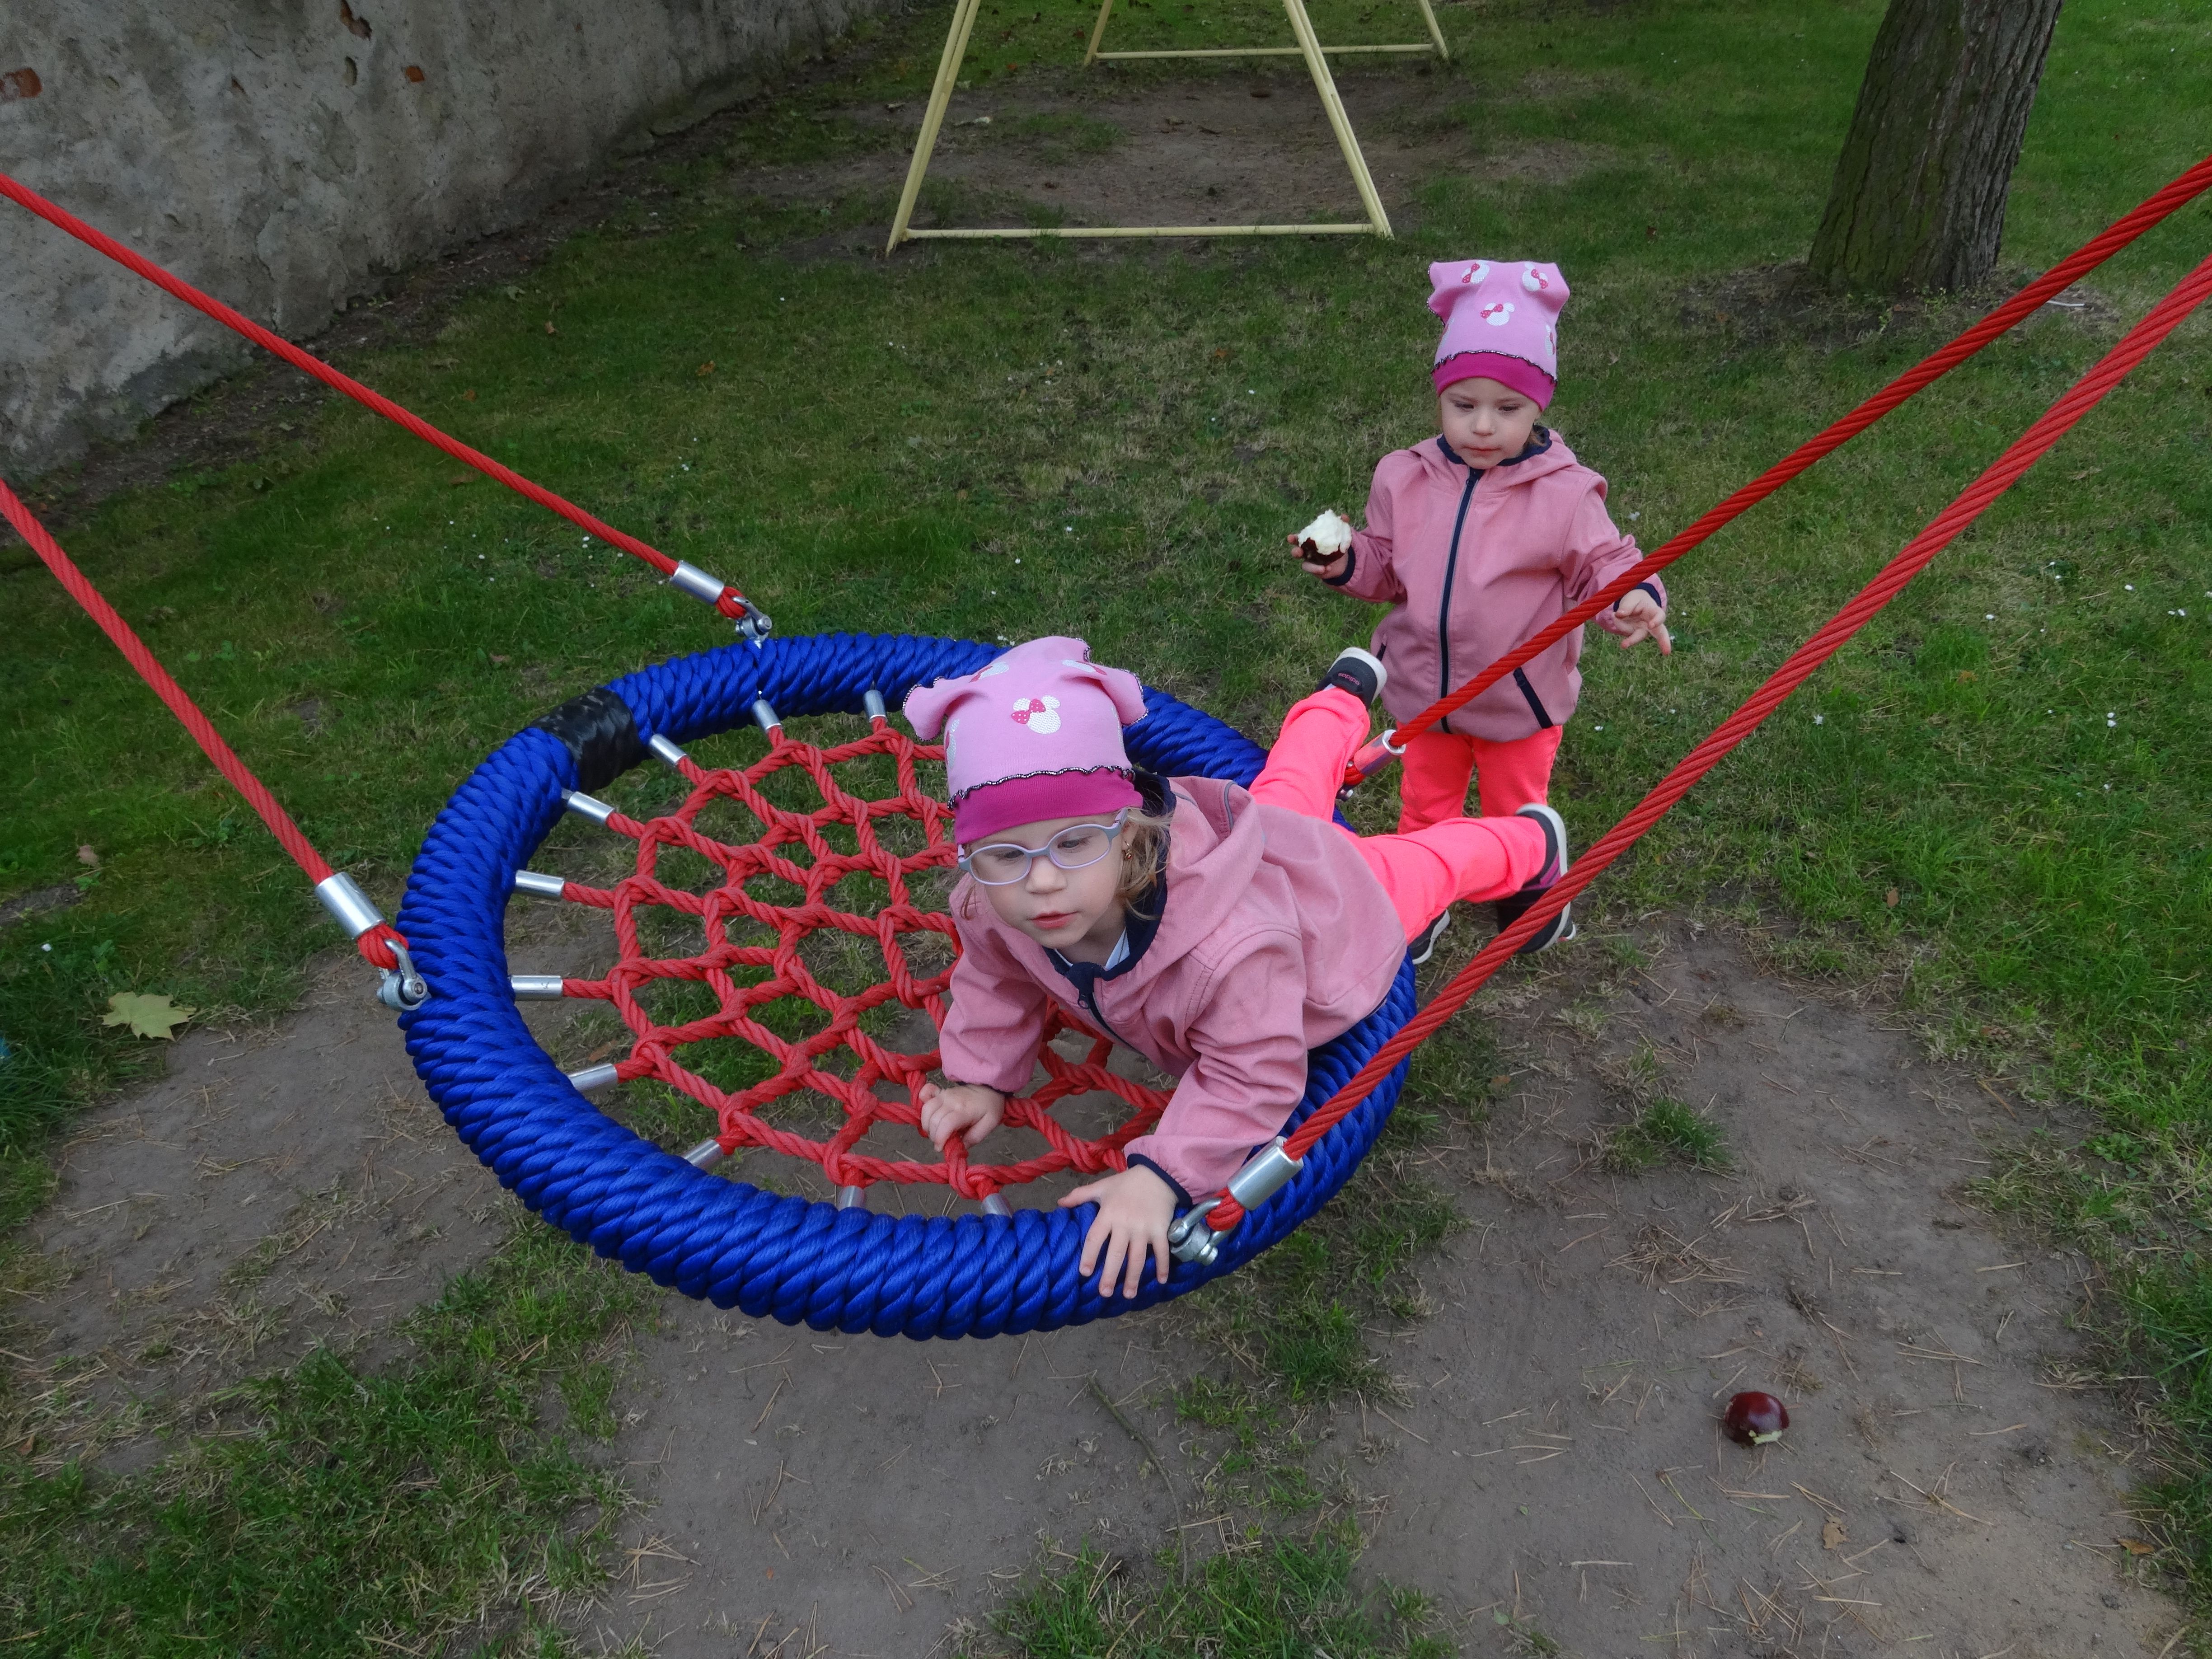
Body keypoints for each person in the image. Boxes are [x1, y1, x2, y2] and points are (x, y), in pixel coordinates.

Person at [902, 635, 1571, 1298]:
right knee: (1287, 788)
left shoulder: (1228, 954)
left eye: (1074, 844)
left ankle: (1534, 841)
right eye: (1004, 854)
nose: (1042, 882)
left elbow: (1253, 1071)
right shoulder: (992, 906)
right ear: (969, 856)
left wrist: (1163, 1175)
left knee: (1435, 863)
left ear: (1129, 835)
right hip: (1267, 841)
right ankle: (1341, 699)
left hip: (1337, 912)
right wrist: (981, 1078)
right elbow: (995, 980)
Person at [1296, 257, 1671, 963]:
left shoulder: (1564, 494)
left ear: (1539, 408)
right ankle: (1419, 899)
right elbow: (1388, 567)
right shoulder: (1404, 477)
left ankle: (1528, 890)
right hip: (1424, 693)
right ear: (1440, 397)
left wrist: (1633, 595)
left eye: (1509, 409)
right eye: (1464, 404)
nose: (1483, 426)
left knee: (1513, 813)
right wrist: (1346, 563)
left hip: (1516, 701)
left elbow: (1605, 561)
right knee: (1424, 809)